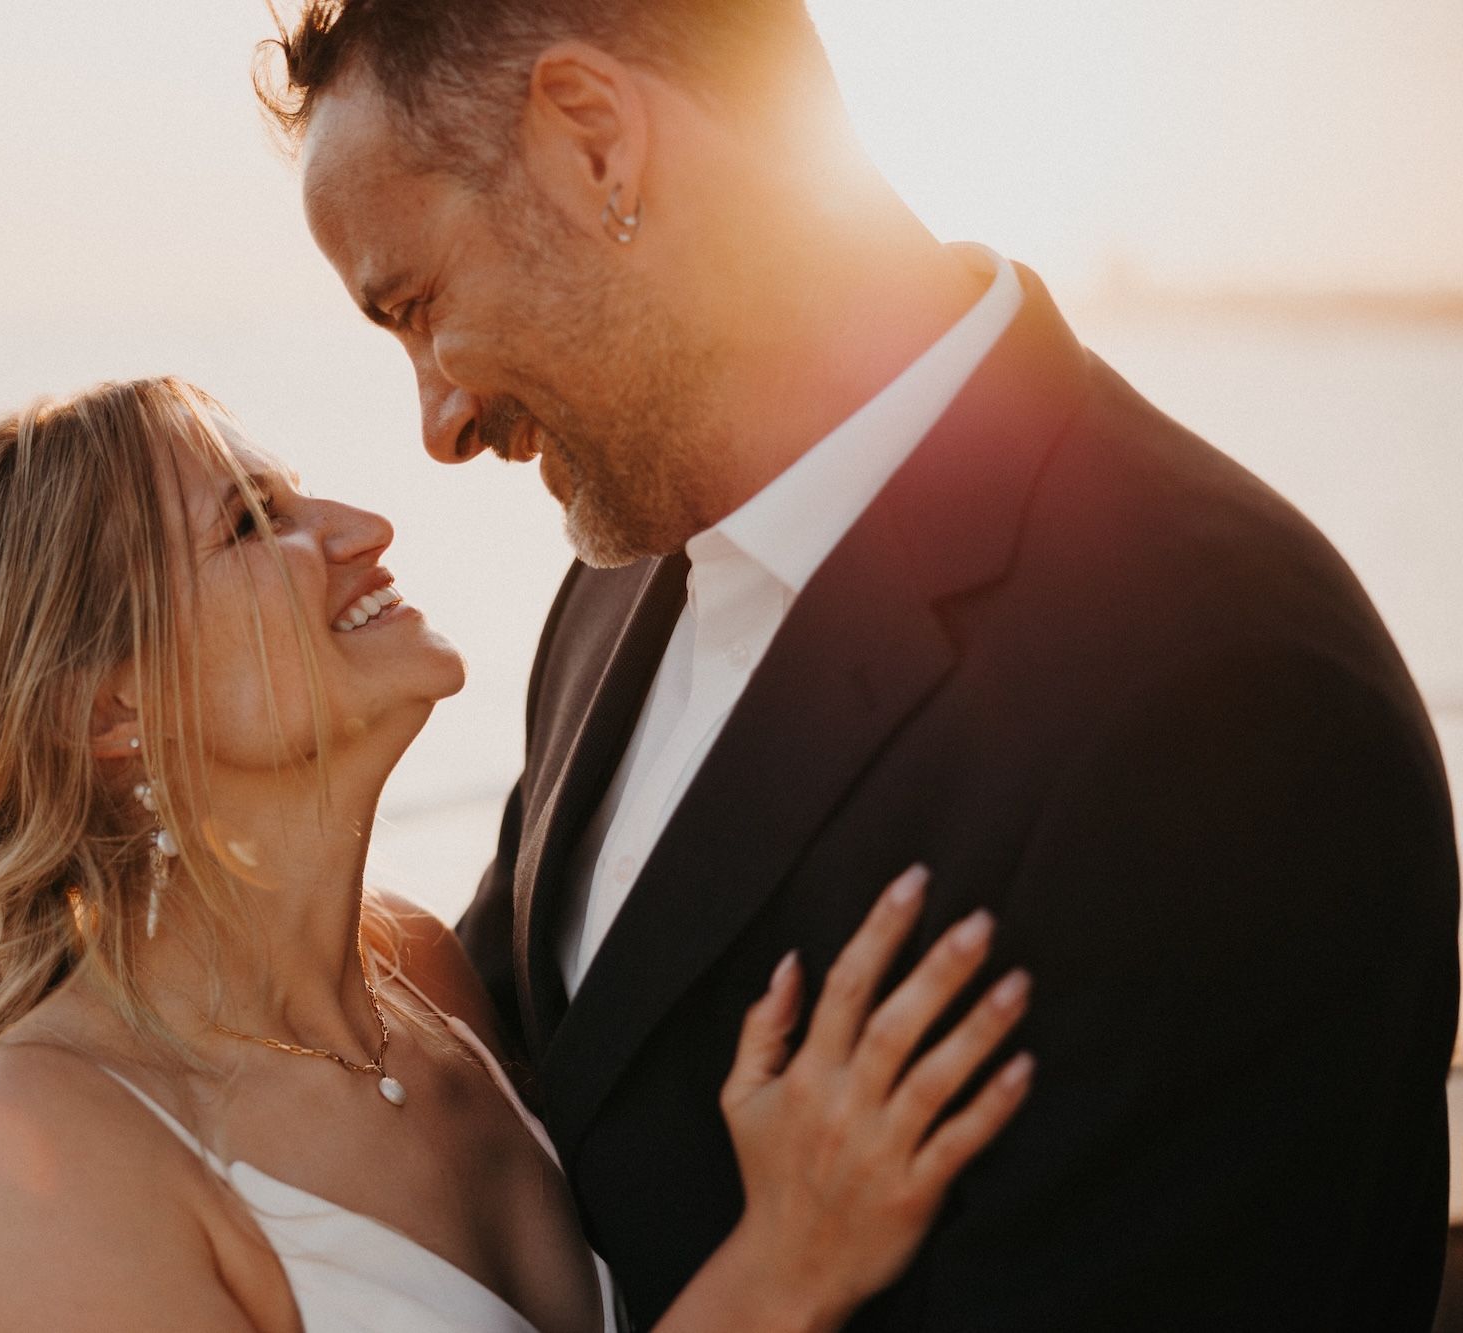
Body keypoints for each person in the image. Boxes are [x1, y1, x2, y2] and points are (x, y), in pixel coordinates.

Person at [266, 1, 1462, 1328]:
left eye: (416, 305)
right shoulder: (619, 581)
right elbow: (507, 1074)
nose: (438, 421)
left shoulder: (1224, 698)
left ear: (598, 145)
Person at [0, 377, 1035, 1332]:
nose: (361, 530)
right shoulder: (18, 1160)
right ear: (107, 715)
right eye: (246, 523)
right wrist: (780, 1274)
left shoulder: (423, 971)